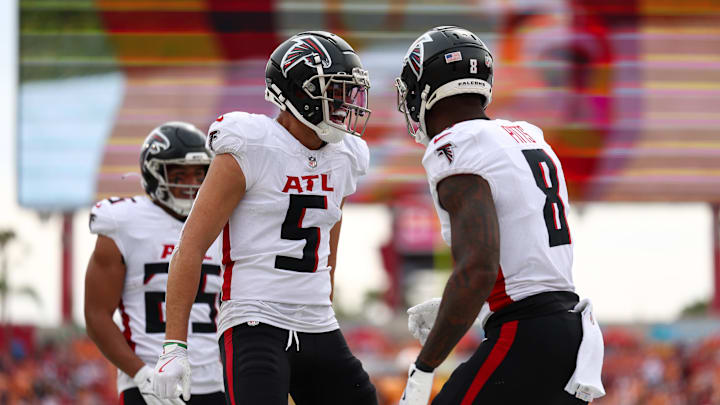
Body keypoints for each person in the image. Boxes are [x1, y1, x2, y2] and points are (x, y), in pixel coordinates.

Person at [151, 31, 378, 405]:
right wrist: (174, 346)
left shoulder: (346, 155)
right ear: (298, 94)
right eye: (333, 91)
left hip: (317, 320)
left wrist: (324, 307)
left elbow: (328, 255)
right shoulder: (250, 144)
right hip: (254, 319)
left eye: (347, 92)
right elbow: (190, 247)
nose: (344, 103)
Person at [394, 26, 605, 405]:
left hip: (526, 333)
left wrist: (424, 367)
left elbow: (479, 268)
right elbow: (525, 261)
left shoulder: (456, 144)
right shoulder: (528, 135)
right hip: (571, 330)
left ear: (425, 90)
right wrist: (457, 309)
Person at [84, 122, 225, 405]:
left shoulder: (225, 222)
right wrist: (139, 373)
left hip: (216, 381)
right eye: (179, 173)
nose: (190, 183)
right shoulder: (123, 222)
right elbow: (96, 314)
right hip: (149, 377)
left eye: (199, 174)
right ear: (154, 173)